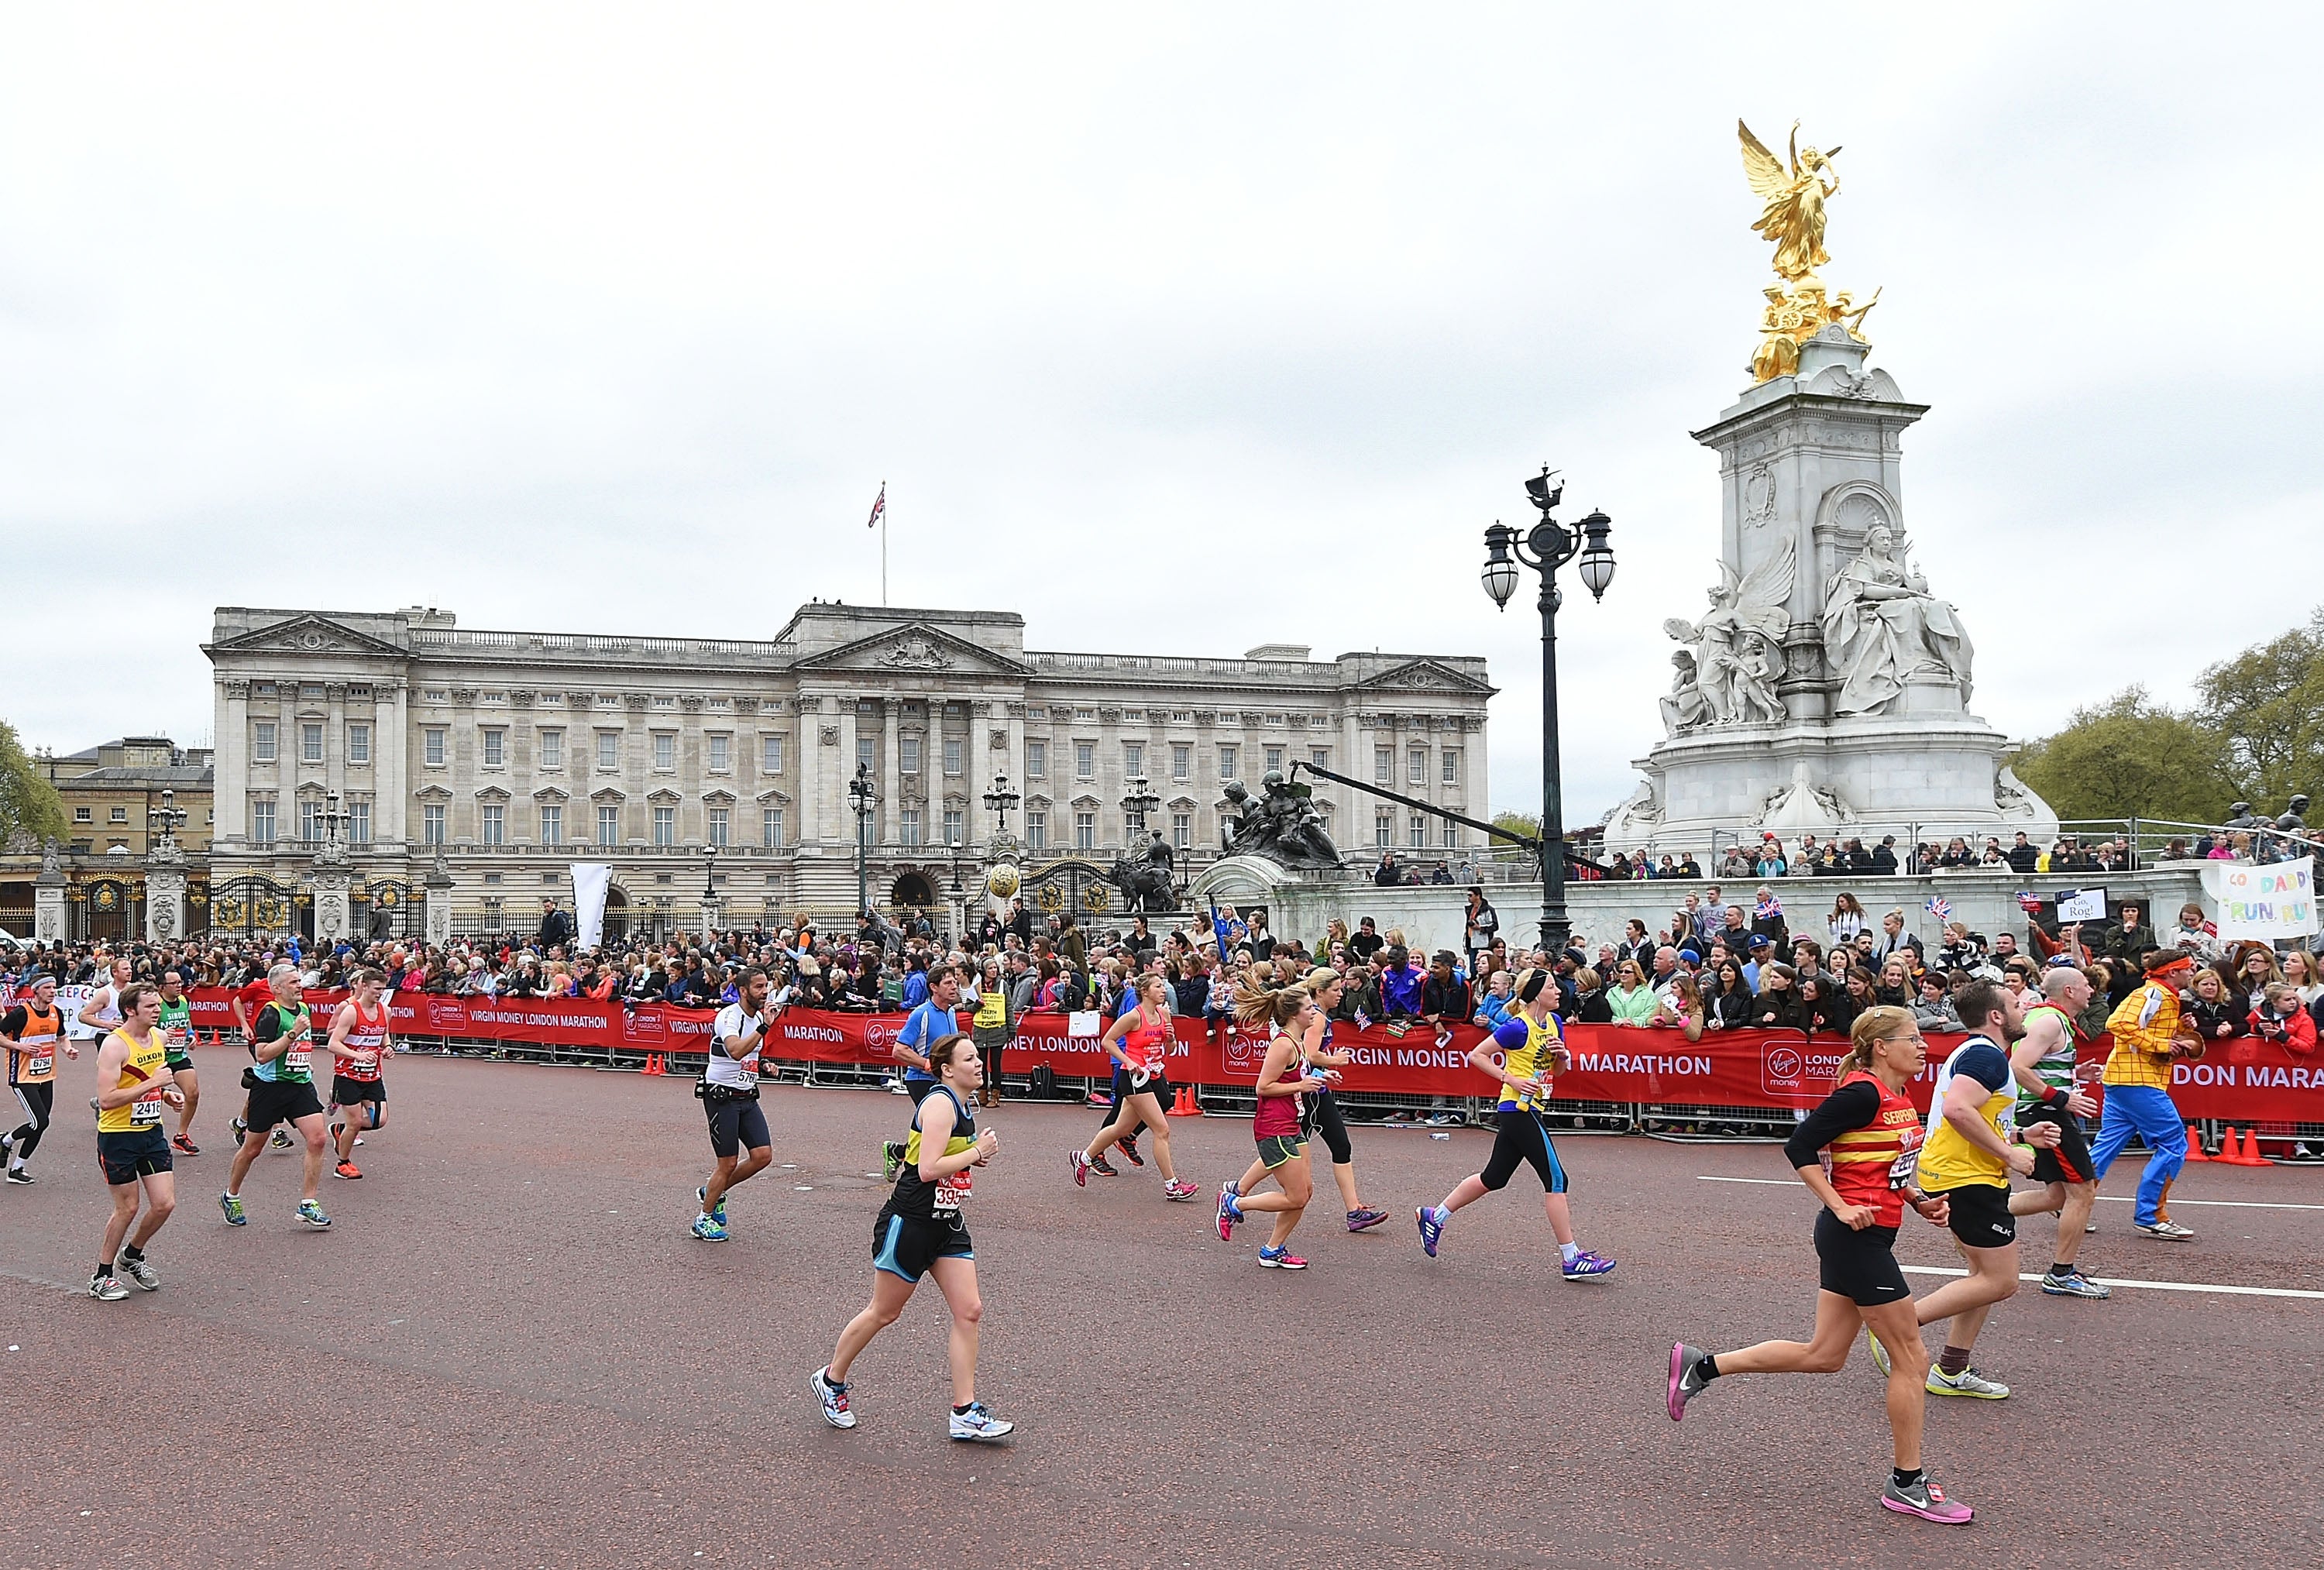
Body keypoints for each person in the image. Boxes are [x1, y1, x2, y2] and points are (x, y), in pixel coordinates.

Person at [1666, 1006, 1972, 1524]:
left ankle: (1703, 1365)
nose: (1924, 1047)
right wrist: (1838, 1203)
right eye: (1913, 1038)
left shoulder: (1896, 1095)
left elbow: (1883, 1164)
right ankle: (1907, 1482)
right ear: (1881, 1046)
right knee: (1913, 1356)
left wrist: (1917, 1199)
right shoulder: (1862, 1092)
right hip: (1855, 1240)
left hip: (1867, 1235)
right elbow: (1799, 1144)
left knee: (1825, 1353)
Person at [813, 1032, 1012, 1441]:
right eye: (969, 1059)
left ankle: (964, 1412)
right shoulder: (940, 1103)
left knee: (970, 1310)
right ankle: (831, 1380)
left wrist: (973, 1155)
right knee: (884, 1312)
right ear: (947, 1070)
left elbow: (947, 1161)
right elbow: (925, 1168)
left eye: (978, 1058)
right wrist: (976, 1152)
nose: (978, 1064)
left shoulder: (963, 1103)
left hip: (946, 1222)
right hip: (911, 1221)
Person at [1871, 980, 2061, 1401]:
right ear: (1996, 1016)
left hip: (1962, 1172)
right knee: (2001, 1280)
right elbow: (1957, 1109)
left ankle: (1952, 1369)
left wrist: (2023, 1133)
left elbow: (1970, 1112)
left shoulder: (1980, 1053)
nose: (2023, 1010)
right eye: (2016, 1004)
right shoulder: (1987, 1057)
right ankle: (1896, 1326)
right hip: (1966, 1177)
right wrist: (2010, 1154)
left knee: (1983, 1278)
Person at [1415, 968, 1615, 1279]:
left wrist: (1562, 1056)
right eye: (1552, 987)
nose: (1559, 991)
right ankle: (1570, 1257)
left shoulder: (1555, 1022)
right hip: (1517, 1108)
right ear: (1537, 993)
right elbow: (1477, 1055)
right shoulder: (1516, 1028)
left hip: (1533, 1107)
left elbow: (1558, 1073)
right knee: (1557, 1179)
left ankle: (1435, 1215)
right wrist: (1512, 1079)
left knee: (1494, 1177)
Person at [1225, 968, 1387, 1236]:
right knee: (1303, 1172)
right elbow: (1295, 1067)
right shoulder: (1305, 1029)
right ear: (1319, 992)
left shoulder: (1300, 1033)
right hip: (1301, 1099)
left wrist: (1323, 1073)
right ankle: (1237, 1199)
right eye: (1335, 989)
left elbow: (1304, 1062)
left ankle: (1248, 1204)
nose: (1341, 993)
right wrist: (1330, 1063)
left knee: (1301, 1173)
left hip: (1305, 1095)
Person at [2006, 967, 2108, 1297]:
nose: (2090, 991)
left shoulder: (2051, 1019)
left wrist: (2075, 1071)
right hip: (2047, 1113)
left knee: (2058, 1196)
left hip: (2046, 1110)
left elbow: (2038, 1064)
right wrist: (2063, 1098)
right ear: (2068, 990)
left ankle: (1981, 1211)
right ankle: (2062, 1274)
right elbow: (2018, 1067)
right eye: (2085, 986)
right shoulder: (2049, 1020)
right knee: (2084, 1191)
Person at [1215, 974, 1328, 1267]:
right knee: (1295, 1196)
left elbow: (1295, 1077)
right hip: (1274, 1127)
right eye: (1308, 1008)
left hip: (1292, 1123)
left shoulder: (1298, 1042)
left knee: (1305, 1192)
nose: (1314, 1011)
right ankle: (1234, 1203)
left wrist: (1321, 1077)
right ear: (1294, 1015)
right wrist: (1300, 1086)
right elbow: (1263, 1087)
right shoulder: (1283, 1045)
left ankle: (1273, 1249)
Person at [2089, 951, 2201, 1241]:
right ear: (2173, 972)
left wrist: (2179, 1029)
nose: (2193, 972)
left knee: (2106, 1146)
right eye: (2188, 968)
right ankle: (2151, 1214)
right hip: (2139, 1080)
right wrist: (2161, 1043)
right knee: (2175, 1143)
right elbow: (2117, 1024)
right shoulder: (2154, 993)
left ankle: (2067, 1199)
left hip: (2124, 1079)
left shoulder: (2159, 993)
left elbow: (2140, 1027)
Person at [219, 963, 338, 1231]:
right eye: (294, 982)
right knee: (252, 1149)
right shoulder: (270, 1014)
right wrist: (292, 1033)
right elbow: (262, 1054)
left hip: (299, 1085)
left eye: (299, 981)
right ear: (277, 988)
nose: (300, 986)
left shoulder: (304, 1009)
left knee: (318, 1139)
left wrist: (304, 1061)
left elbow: (300, 1046)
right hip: (270, 1088)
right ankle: (231, 1195)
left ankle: (308, 1203)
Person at [88, 981, 184, 1300]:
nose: (158, 1011)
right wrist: (155, 1083)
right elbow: (106, 1099)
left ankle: (132, 1255)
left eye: (158, 1006)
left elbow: (148, 1080)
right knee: (127, 1208)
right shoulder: (115, 1046)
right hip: (119, 1137)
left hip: (151, 1132)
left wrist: (166, 1094)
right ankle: (101, 1276)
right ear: (130, 1010)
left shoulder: (159, 1037)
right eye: (150, 1007)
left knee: (164, 1204)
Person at [1071, 975, 1199, 1201]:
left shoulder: (1164, 1014)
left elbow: (1170, 1047)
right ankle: (1172, 1185)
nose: (1164, 990)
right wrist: (1128, 1061)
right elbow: (1107, 1041)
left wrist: (1170, 1039)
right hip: (1133, 1077)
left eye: (1163, 985)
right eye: (1158, 986)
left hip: (1155, 1073)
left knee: (1121, 1128)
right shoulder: (1133, 1017)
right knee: (1162, 1130)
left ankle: (1084, 1158)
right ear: (1145, 992)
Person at [692, 967, 780, 1241]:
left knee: (763, 1156)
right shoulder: (729, 1016)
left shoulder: (756, 1019)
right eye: (758, 987)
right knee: (727, 1163)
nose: (765, 992)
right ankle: (702, 1220)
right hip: (722, 1098)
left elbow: (749, 1054)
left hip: (747, 1096)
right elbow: (735, 1050)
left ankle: (712, 1192)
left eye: (766, 986)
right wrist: (766, 1026)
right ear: (743, 991)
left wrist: (763, 1064)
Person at [2, 971, 74, 1184]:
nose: (53, 992)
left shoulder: (56, 1012)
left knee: (41, 1124)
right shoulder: (20, 1014)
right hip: (22, 1076)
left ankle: (17, 1168)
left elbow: (62, 1036)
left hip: (46, 1074)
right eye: (47, 988)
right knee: (39, 1121)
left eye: (54, 988)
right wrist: (20, 1046)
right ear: (35, 991)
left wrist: (68, 1049)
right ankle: (5, 1141)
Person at [323, 967, 392, 1180]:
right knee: (354, 1123)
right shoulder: (351, 1011)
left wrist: (388, 1047)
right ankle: (342, 1164)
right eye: (376, 989)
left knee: (379, 1120)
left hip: (372, 1076)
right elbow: (333, 1044)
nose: (380, 993)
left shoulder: (385, 1011)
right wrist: (357, 1055)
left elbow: (384, 1035)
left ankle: (340, 1130)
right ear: (364, 987)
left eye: (383, 989)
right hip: (348, 1075)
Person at [156, 968, 202, 1156]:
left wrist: (191, 1035)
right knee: (147, 1096)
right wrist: (161, 1035)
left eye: (180, 982)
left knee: (193, 1093)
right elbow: (143, 1029)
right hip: (158, 1059)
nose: (179, 986)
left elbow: (187, 1021)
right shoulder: (156, 1005)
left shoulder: (183, 1001)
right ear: (162, 987)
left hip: (178, 1056)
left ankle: (181, 1136)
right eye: (174, 983)